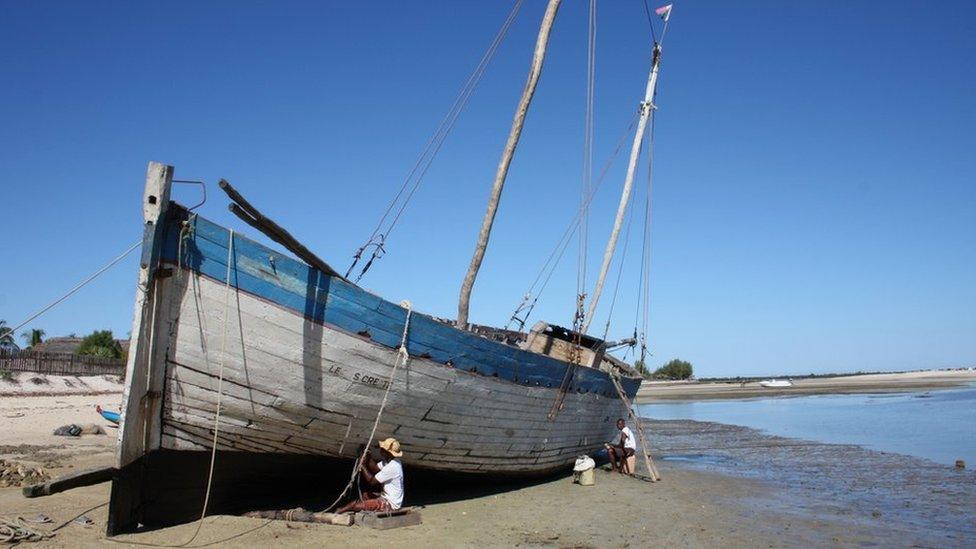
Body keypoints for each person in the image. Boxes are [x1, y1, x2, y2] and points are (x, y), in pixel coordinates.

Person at [337, 437, 404, 513]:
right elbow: (375, 468)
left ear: (388, 452)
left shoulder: (392, 467)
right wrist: (368, 454)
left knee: (356, 506)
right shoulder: (391, 461)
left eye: (382, 449)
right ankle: (344, 509)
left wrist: (362, 466)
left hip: (390, 504)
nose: (380, 450)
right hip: (386, 497)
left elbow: (372, 481)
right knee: (365, 495)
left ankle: (340, 510)